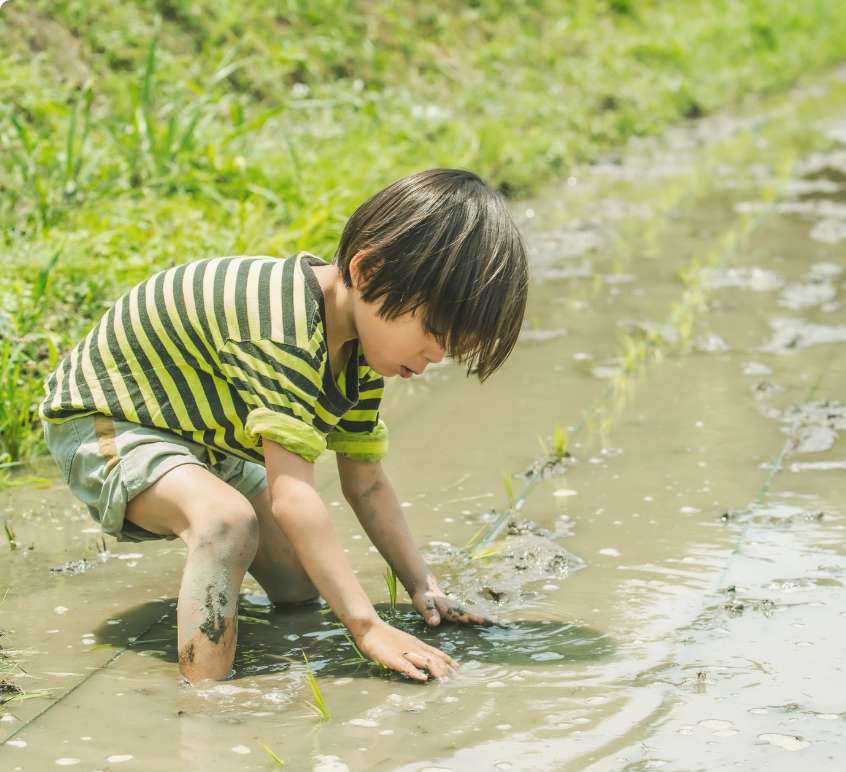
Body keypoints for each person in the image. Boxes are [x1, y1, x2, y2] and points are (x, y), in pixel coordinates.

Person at [39, 168, 530, 684]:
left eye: (452, 345)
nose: (437, 354)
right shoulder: (287, 327)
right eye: (433, 332)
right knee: (226, 523)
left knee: (299, 584)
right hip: (108, 422)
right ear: (367, 271)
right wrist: (366, 627)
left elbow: (366, 483)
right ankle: (205, 702)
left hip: (202, 437)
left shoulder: (360, 354)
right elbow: (292, 496)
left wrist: (421, 585)